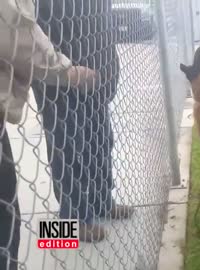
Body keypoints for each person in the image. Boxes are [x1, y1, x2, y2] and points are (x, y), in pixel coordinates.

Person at [0, 1, 97, 269]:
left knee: (90, 143)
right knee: (64, 145)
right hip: (53, 69)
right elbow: (17, 26)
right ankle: (70, 225)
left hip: (76, 61)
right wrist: (64, 69)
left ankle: (97, 206)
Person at [32, 0, 134, 243]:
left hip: (96, 67)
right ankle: (73, 220)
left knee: (100, 140)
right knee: (67, 145)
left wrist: (110, 67)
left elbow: (104, 23)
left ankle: (102, 202)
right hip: (60, 75)